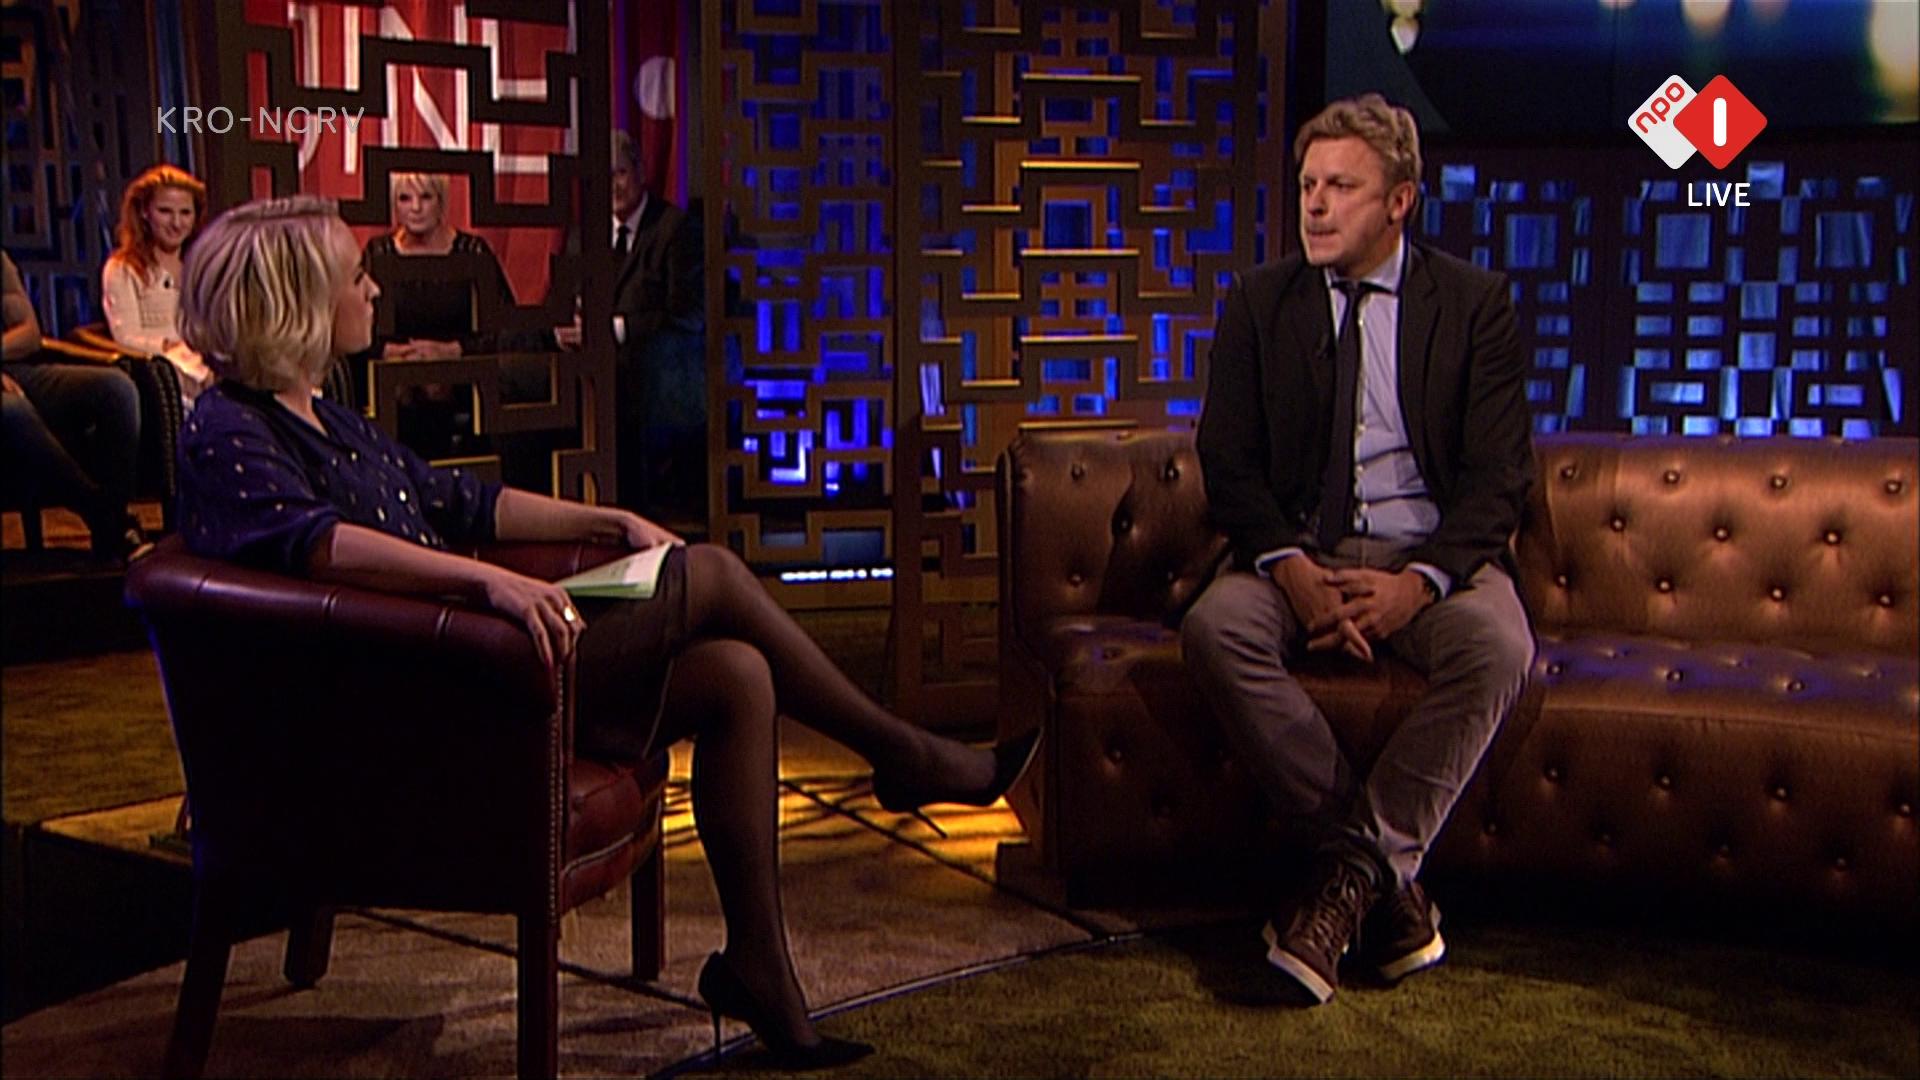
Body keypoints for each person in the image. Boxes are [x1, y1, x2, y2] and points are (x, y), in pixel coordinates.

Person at [174, 195, 1039, 1068]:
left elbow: (462, 501)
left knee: (736, 673)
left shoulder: (322, 412)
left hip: (469, 666)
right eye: (355, 277)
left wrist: (610, 519)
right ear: (293, 304)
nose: (373, 290)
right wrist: (488, 582)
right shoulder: (227, 428)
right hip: (414, 708)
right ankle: (903, 754)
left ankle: (760, 968)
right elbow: (317, 547)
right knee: (709, 574)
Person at [1181, 94, 1535, 1005]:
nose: (1315, 204)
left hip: (1429, 558)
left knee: (1499, 646)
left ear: (1400, 202)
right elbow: (1229, 463)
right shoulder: (1260, 303)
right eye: (1308, 184)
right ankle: (1387, 887)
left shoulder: (1474, 306)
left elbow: (1499, 478)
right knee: (1217, 629)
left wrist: (1421, 582)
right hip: (1300, 552)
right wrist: (1291, 569)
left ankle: (1345, 879)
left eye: (1342, 187)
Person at [359, 172, 551, 459]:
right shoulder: (378, 253)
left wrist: (453, 351)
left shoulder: (473, 252)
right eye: (405, 198)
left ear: (442, 202)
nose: (415, 208)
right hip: (397, 384)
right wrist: (388, 351)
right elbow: (355, 325)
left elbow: (504, 330)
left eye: (426, 197)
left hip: (464, 381)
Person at [3, 251, 143, 561]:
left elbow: (29, 334)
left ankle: (110, 532)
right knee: (12, 409)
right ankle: (106, 518)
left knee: (116, 389)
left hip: (15, 368)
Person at [606, 128, 703, 521]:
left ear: (640, 173)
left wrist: (619, 329)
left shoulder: (674, 229)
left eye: (620, 173)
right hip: (596, 375)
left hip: (657, 380)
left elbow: (688, 314)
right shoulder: (588, 233)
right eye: (605, 176)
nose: (613, 186)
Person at [103, 163, 215, 405]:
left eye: (185, 213)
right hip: (161, 369)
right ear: (145, 212)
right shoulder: (123, 268)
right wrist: (169, 346)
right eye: (165, 211)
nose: (176, 223)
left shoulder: (201, 265)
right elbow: (126, 337)